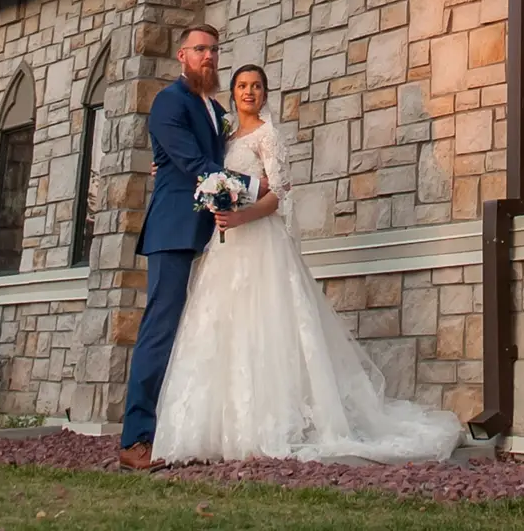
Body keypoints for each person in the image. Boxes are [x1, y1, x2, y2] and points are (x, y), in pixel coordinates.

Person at [150, 63, 465, 464]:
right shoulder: (224, 135)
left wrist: (241, 216)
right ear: (232, 93)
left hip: (260, 241)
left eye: (257, 86)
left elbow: (278, 195)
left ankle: (274, 424)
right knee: (224, 328)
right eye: (243, 86)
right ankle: (220, 428)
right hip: (226, 247)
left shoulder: (268, 137)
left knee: (268, 327)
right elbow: (195, 162)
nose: (250, 92)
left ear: (265, 93)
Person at [118, 23, 227, 472]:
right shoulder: (169, 102)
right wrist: (258, 190)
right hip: (175, 231)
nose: (208, 56)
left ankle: (190, 426)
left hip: (218, 232)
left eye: (214, 50)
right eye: (200, 49)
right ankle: (135, 438)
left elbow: (220, 161)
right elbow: (196, 165)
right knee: (160, 330)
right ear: (182, 55)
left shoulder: (216, 108)